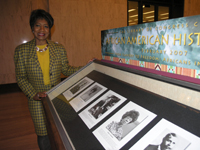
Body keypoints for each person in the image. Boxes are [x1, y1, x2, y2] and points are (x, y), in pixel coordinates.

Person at [14, 9, 82, 150]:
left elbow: (66, 69)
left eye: (46, 26)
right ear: (32, 28)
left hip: (56, 96)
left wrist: (86, 67)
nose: (42, 29)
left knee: (72, 119)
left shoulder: (58, 49)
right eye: (38, 25)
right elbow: (20, 77)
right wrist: (34, 93)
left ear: (50, 29)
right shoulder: (21, 51)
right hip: (37, 99)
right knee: (43, 133)